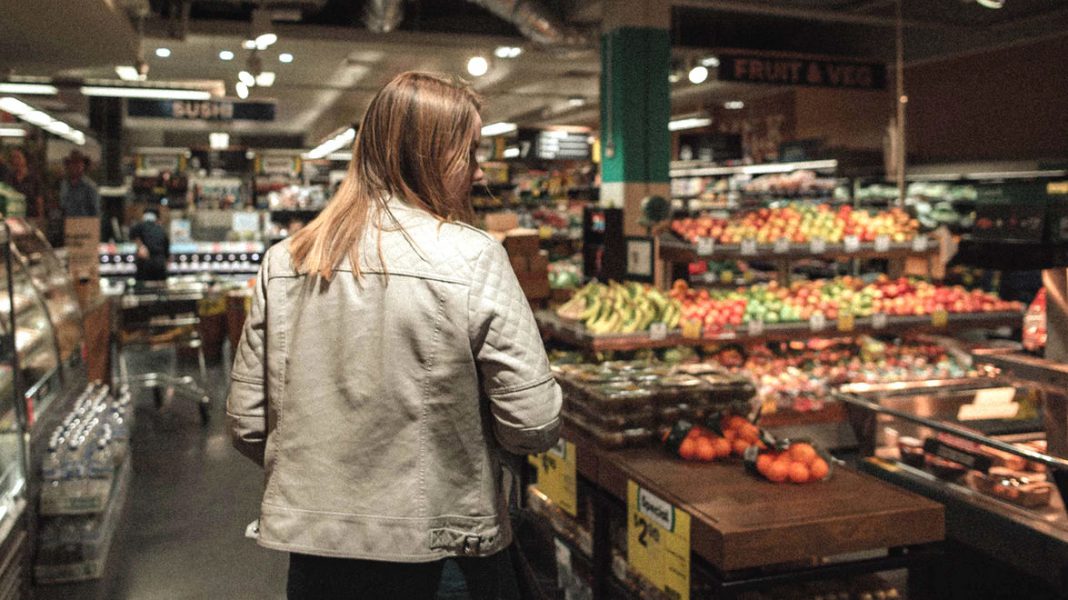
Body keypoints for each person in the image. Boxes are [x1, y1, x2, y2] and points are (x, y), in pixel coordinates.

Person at [227, 72, 562, 600]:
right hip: (443, 554)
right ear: (425, 155)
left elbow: (248, 424)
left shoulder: (285, 261)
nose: (479, 172)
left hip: (317, 555)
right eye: (468, 152)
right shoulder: (473, 258)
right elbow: (534, 422)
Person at [129, 208, 169, 281]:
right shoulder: (161, 229)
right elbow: (166, 248)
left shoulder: (140, 226)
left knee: (143, 287)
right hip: (159, 262)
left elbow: (132, 234)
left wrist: (140, 246)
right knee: (160, 287)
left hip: (145, 262)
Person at [59, 149, 100, 217]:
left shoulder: (90, 186)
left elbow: (96, 211)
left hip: (86, 225)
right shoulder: (64, 184)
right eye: (73, 163)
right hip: (68, 224)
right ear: (68, 166)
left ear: (83, 166)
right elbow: (63, 207)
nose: (75, 166)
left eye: (78, 163)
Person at [5, 148, 43, 220]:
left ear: (25, 159)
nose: (15, 161)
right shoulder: (9, 177)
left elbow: (39, 200)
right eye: (13, 158)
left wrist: (40, 218)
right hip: (14, 217)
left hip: (31, 216)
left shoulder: (34, 178)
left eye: (18, 157)